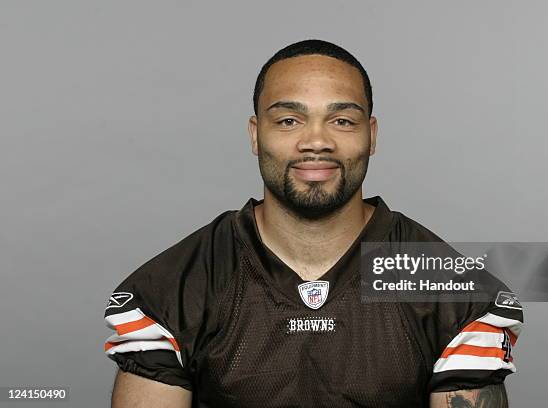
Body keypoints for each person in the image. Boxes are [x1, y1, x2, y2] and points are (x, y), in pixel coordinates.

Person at [103, 39, 524, 408]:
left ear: (371, 135)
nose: (316, 141)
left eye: (342, 120)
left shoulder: (452, 295)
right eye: (289, 120)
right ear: (255, 134)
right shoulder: (176, 290)